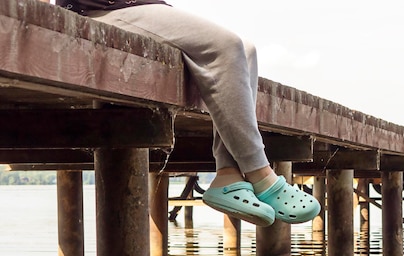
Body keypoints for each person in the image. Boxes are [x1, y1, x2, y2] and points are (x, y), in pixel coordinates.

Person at [48, 0, 320, 227]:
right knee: (225, 46)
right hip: (97, 8)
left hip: (136, 6)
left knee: (245, 50)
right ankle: (261, 174)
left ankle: (229, 174)